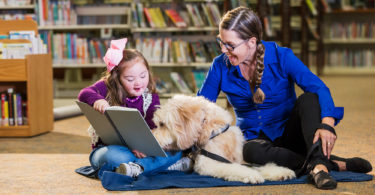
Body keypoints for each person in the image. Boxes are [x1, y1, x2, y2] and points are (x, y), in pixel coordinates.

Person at [197, 7, 372, 190]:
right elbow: (200, 105)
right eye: (221, 42)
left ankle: (318, 164)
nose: (224, 50)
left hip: (291, 134)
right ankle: (326, 165)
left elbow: (319, 87)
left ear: (251, 42)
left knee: (310, 99)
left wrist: (327, 124)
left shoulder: (282, 56)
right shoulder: (219, 65)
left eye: (230, 45)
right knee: (250, 152)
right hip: (255, 141)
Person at [77, 38, 192, 178]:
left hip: (143, 151)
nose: (138, 82)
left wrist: (145, 147)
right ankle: (160, 166)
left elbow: (153, 126)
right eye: (130, 79)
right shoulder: (106, 87)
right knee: (115, 158)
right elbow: (84, 93)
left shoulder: (150, 96)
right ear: (117, 78)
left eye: (143, 76)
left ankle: (138, 168)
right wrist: (98, 100)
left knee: (177, 150)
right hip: (112, 149)